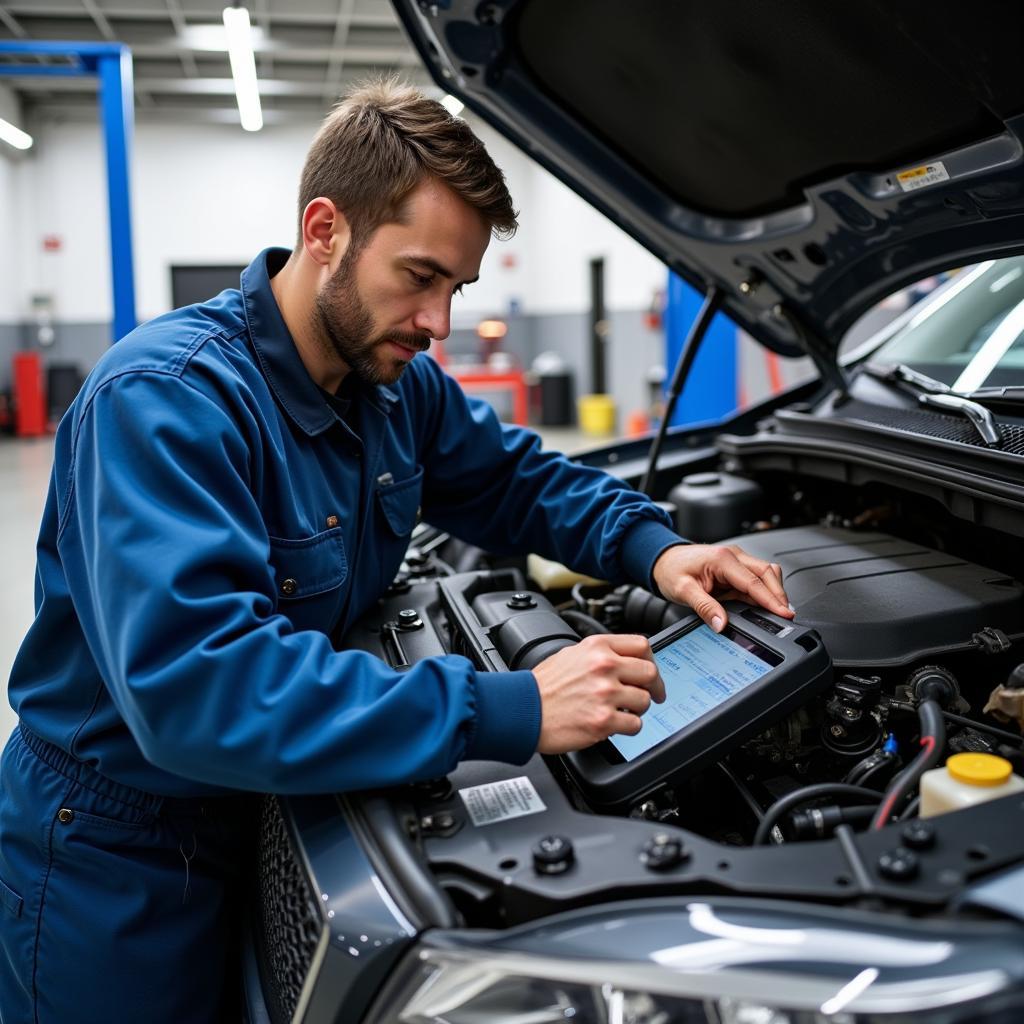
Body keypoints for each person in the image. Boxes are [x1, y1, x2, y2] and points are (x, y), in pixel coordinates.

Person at [0, 79, 791, 1023]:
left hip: (264, 802)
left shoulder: (389, 385)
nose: (439, 324)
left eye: (455, 288)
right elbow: (201, 690)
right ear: (325, 229)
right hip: (116, 852)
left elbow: (514, 478)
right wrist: (513, 704)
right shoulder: (166, 401)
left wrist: (657, 551)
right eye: (419, 277)